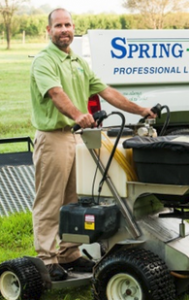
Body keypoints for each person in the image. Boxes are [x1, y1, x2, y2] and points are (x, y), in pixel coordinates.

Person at [30, 8, 156, 282]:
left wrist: (140, 109)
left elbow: (106, 91)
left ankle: (69, 253)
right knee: (50, 200)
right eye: (59, 25)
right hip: (54, 137)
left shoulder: (78, 61)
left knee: (75, 198)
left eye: (68, 25)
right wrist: (78, 114)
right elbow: (55, 93)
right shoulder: (44, 61)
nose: (64, 30)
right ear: (49, 30)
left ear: (74, 29)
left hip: (78, 138)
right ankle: (46, 259)